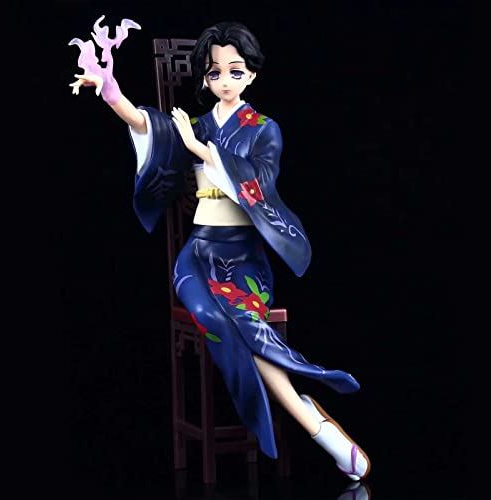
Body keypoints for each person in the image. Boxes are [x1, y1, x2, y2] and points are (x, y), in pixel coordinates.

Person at [69, 15, 371, 481]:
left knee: (241, 318)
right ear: (205, 78)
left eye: (235, 71)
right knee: (213, 315)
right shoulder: (196, 124)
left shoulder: (265, 129)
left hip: (243, 257)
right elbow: (149, 127)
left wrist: (203, 150)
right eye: (214, 72)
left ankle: (307, 417)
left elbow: (259, 184)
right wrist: (111, 91)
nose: (224, 80)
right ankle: (308, 417)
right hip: (198, 254)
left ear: (251, 75)